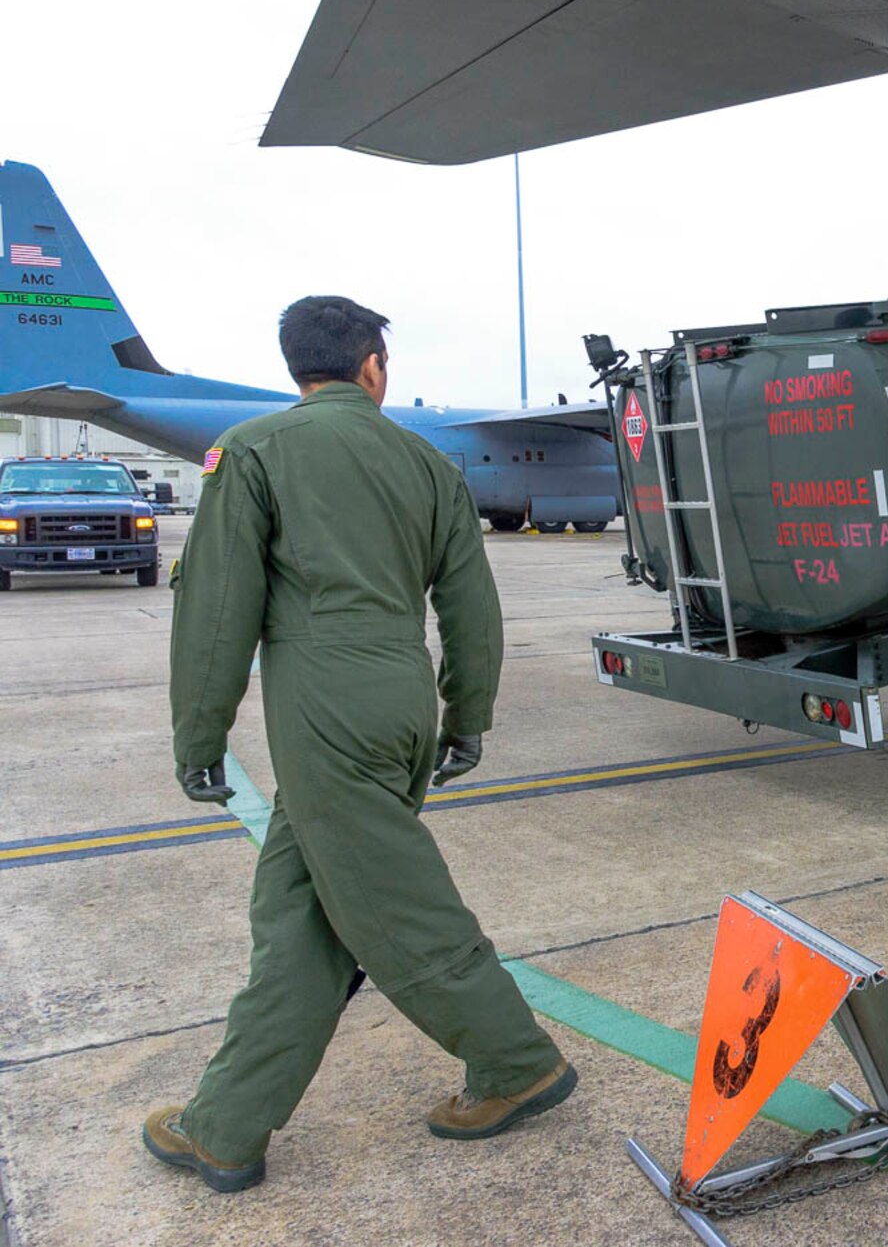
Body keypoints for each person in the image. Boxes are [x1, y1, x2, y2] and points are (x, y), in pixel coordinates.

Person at [144, 296, 575, 1193]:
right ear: (372, 365)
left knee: (394, 906)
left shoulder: (253, 450)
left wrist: (200, 733)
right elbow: (471, 605)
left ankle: (514, 1059)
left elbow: (218, 609)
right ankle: (224, 1124)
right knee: (300, 915)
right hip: (402, 698)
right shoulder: (427, 462)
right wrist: (468, 714)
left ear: (295, 366)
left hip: (323, 709)